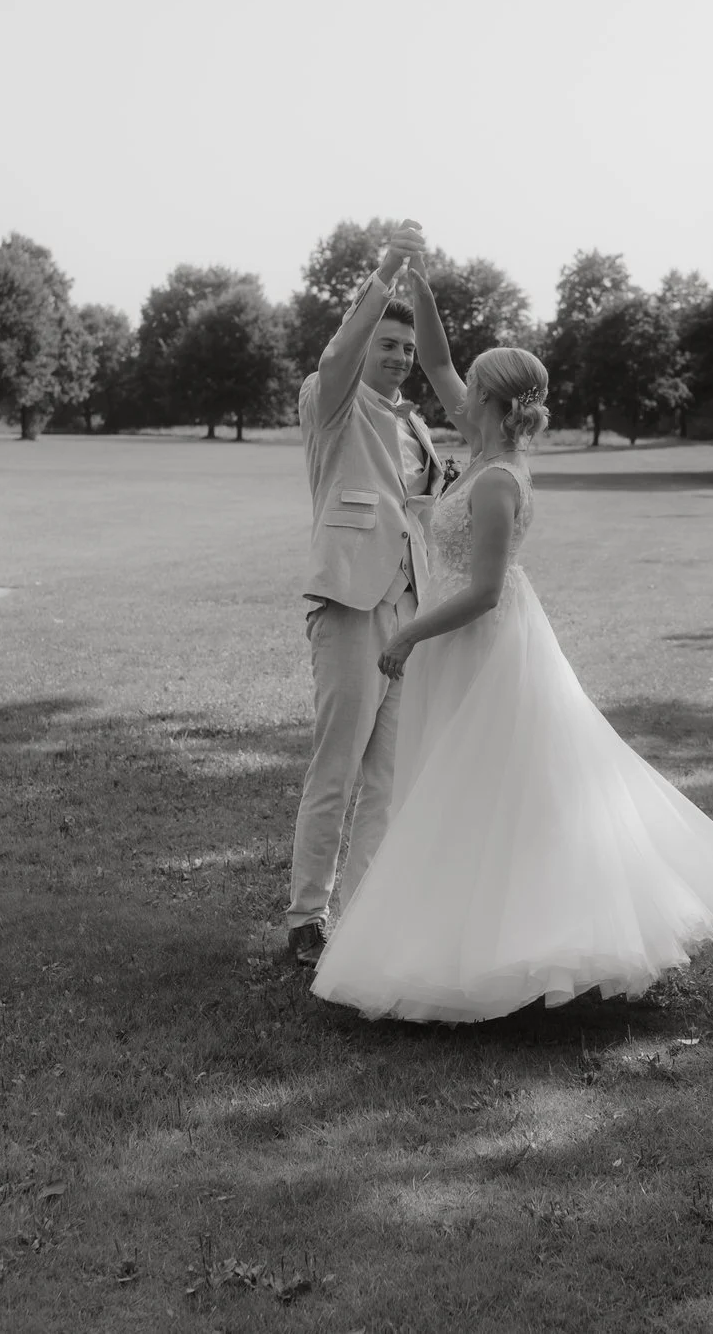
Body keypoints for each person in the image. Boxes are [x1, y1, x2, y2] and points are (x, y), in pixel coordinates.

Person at [311, 272, 713, 1021]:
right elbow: (445, 365)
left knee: (484, 786)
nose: (453, 388)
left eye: (469, 388)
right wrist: (420, 295)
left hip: (479, 636)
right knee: (448, 785)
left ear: (489, 403)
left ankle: (506, 951)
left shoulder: (496, 483)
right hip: (463, 635)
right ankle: (452, 937)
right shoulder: (483, 448)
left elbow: (483, 590)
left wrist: (411, 633)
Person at [285, 227, 448, 966]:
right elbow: (334, 356)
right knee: (338, 767)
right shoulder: (331, 402)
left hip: (409, 613)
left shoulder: (413, 421)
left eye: (406, 349)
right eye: (388, 345)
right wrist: (387, 273)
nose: (399, 356)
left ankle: (365, 915)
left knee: (386, 777)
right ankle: (305, 917)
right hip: (350, 601)